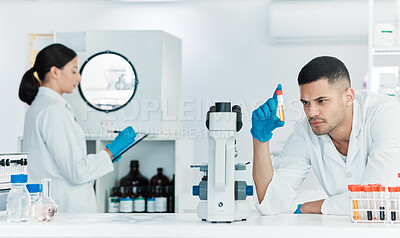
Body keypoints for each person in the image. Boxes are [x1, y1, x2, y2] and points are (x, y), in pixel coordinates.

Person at [251, 56, 400, 215]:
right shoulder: (306, 131)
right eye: (305, 102)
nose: (311, 112)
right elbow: (272, 204)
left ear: (348, 97)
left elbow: (378, 199)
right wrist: (260, 140)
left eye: (321, 101)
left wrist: (311, 207)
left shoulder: (385, 114)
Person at [19, 43, 136, 213]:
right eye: (74, 71)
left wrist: (108, 156)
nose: (79, 78)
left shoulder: (40, 106)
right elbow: (76, 172)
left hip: (53, 207)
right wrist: (111, 151)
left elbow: (63, 163)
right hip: (65, 210)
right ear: (54, 72)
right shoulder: (53, 110)